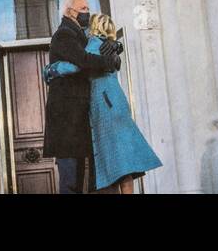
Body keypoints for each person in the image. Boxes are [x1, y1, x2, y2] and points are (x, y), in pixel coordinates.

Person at [45, 13, 162, 192]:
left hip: (104, 107)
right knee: (125, 165)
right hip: (118, 105)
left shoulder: (93, 44)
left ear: (93, 28)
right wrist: (117, 44)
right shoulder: (109, 47)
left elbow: (78, 64)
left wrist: (51, 69)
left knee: (111, 164)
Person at [42, 0, 121, 193]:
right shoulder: (65, 34)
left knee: (77, 179)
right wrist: (109, 61)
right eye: (83, 8)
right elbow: (83, 59)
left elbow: (98, 41)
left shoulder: (79, 33)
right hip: (66, 118)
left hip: (76, 118)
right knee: (70, 180)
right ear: (70, 12)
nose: (88, 12)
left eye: (88, 7)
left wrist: (116, 45)